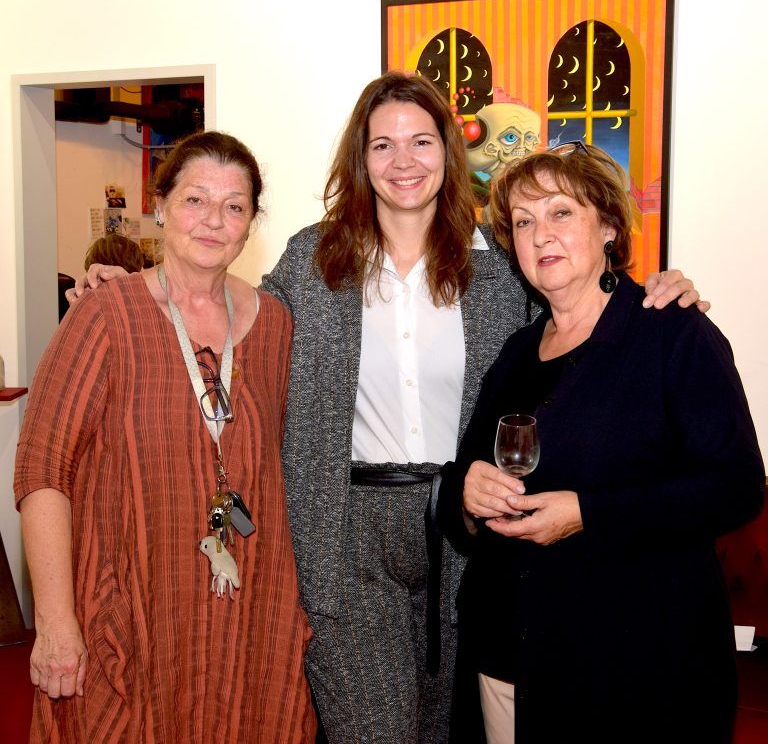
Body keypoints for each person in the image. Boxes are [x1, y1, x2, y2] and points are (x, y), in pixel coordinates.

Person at [67, 75, 705, 744]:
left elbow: (577, 309)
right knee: (374, 731)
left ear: (449, 151)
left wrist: (653, 288)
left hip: (470, 526)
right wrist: (140, 286)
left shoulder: (499, 263)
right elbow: (230, 316)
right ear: (360, 158)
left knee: (447, 730)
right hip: (344, 534)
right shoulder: (313, 257)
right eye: (383, 144)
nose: (403, 160)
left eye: (421, 141)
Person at [437, 142, 765, 744]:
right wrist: (466, 495)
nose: (541, 236)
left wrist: (589, 513)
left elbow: (736, 485)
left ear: (609, 226)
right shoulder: (515, 352)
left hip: (637, 673)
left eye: (561, 213)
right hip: (511, 662)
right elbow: (465, 479)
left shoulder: (672, 332)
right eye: (524, 222)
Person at [15, 132, 316, 743]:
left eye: (234, 206)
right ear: (160, 205)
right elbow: (42, 470)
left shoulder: (277, 324)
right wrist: (54, 621)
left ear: (251, 223)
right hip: (132, 606)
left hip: (246, 613)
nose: (213, 220)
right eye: (195, 200)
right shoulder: (104, 315)